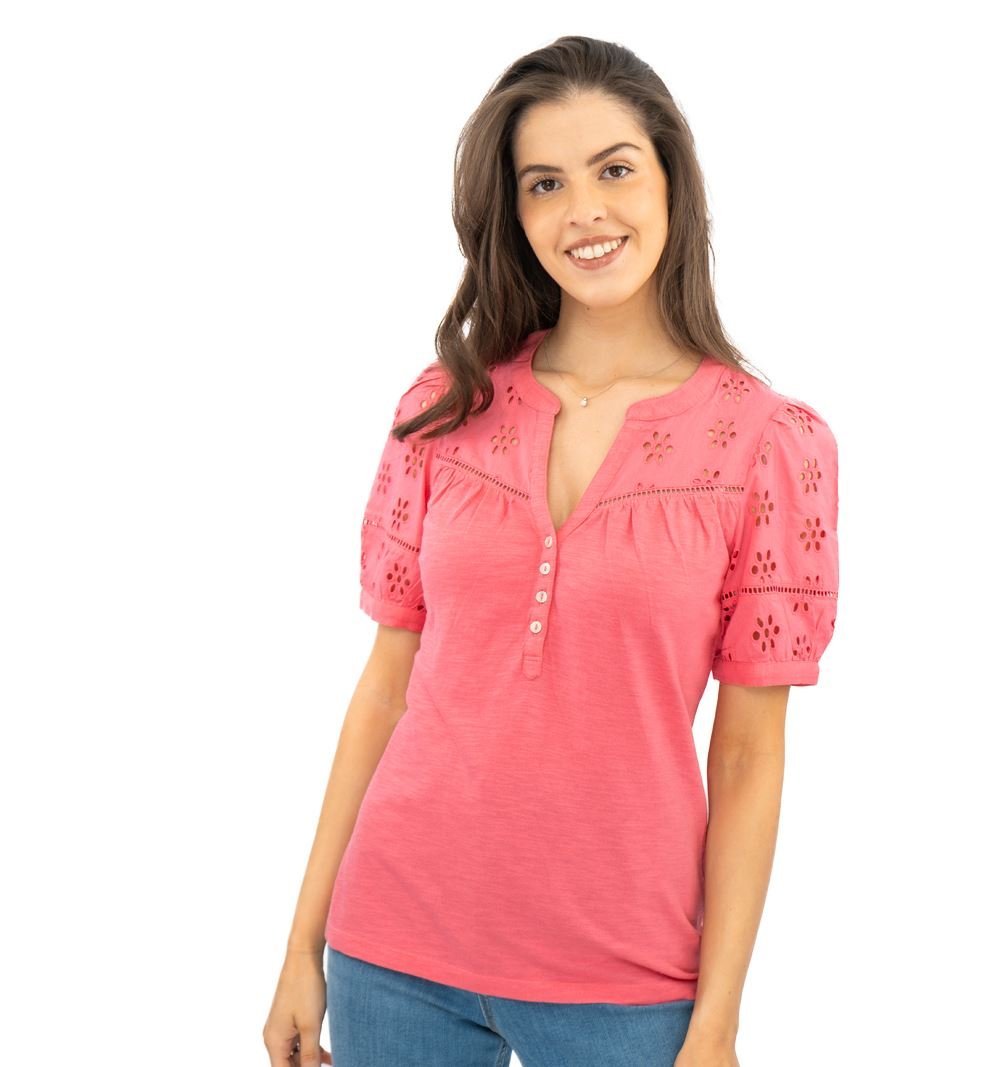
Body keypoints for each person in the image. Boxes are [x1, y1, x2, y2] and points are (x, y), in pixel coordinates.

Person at [263, 34, 840, 1067]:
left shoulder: (766, 442)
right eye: (545, 183)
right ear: (515, 213)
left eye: (613, 169)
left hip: (627, 981)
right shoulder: (444, 407)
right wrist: (301, 945)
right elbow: (385, 690)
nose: (584, 212)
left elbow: (749, 753)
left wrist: (715, 1022)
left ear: (671, 181)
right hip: (390, 952)